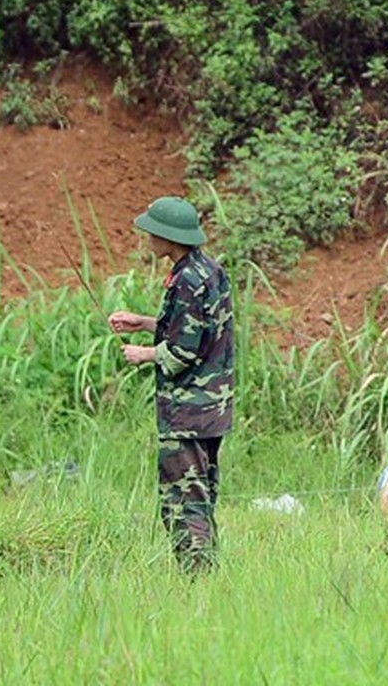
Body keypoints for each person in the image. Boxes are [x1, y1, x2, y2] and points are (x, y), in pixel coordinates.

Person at [109, 196, 234, 573]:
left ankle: (196, 579)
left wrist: (143, 354)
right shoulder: (209, 271)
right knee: (202, 495)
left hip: (187, 413)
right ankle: (207, 574)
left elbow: (182, 351)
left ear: (169, 237)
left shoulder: (185, 281)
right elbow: (199, 329)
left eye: (153, 232)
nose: (148, 238)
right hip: (213, 410)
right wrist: (145, 322)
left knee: (183, 501)